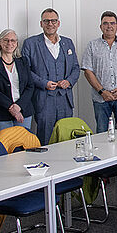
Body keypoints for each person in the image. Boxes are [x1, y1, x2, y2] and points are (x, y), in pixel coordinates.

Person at [22, 8, 80, 145]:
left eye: (53, 20)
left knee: (66, 137)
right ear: (41, 24)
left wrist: (69, 81)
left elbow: (76, 68)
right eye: (46, 21)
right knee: (45, 138)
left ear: (58, 23)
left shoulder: (68, 42)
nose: (50, 24)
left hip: (65, 99)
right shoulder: (30, 44)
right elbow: (25, 71)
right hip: (44, 99)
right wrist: (43, 83)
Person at [0, 29, 34, 137]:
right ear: (0, 42)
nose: (10, 43)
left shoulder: (23, 61)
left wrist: (18, 106)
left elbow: (30, 86)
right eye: (6, 40)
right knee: (4, 149)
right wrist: (11, 107)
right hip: (2, 114)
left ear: (17, 43)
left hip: (24, 111)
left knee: (23, 147)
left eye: (13, 40)